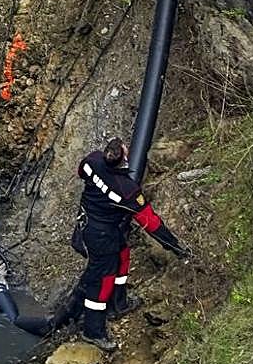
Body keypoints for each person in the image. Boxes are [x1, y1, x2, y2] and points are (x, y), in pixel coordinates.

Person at [52, 137, 189, 352]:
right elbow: (150, 223)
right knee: (102, 280)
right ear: (124, 158)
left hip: (91, 225)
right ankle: (93, 331)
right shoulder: (126, 190)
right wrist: (175, 246)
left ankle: (119, 304)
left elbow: (81, 172)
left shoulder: (92, 161)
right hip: (101, 238)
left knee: (123, 257)